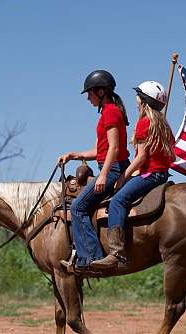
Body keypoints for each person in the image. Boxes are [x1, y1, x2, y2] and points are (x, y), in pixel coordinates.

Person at [91, 80, 175, 270]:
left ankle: (116, 252)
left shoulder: (144, 123)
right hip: (162, 174)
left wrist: (124, 177)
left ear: (143, 101)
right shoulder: (164, 125)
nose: (135, 100)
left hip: (150, 175)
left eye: (138, 96)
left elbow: (141, 157)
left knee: (117, 201)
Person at [58, 70, 130, 271]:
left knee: (77, 207)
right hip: (110, 165)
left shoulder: (110, 112)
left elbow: (114, 149)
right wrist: (74, 155)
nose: (88, 97)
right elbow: (101, 150)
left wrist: (104, 175)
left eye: (89, 93)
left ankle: (90, 259)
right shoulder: (110, 112)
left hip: (113, 168)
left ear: (100, 92)